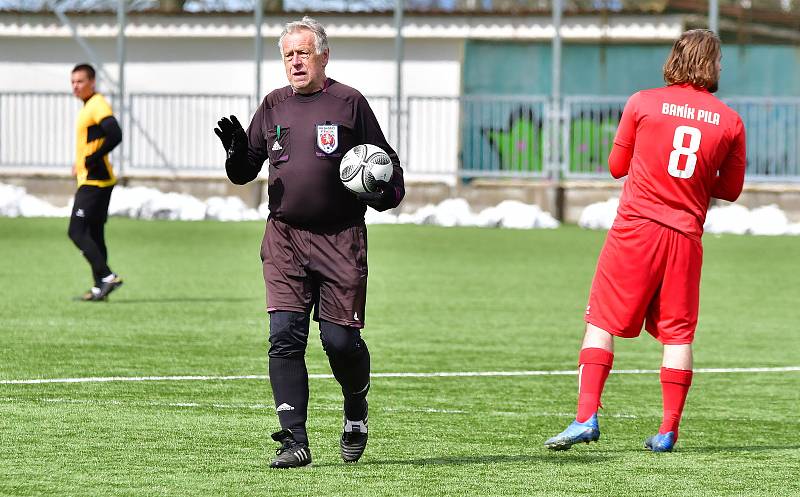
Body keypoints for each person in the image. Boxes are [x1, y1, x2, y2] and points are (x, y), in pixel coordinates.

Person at [214, 16, 404, 468]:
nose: (294, 62)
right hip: (284, 238)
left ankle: (355, 405)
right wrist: (236, 155)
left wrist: (380, 192)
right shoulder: (273, 105)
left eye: (302, 53)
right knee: (284, 336)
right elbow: (245, 171)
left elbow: (389, 174)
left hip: (341, 241)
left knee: (339, 342)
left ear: (323, 55)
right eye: (287, 55)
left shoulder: (349, 103)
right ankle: (293, 440)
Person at [544, 29, 746, 453]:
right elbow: (729, 190)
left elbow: (617, 166)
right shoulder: (729, 121)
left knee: (601, 321)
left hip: (636, 229)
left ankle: (585, 418)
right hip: (686, 237)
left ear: (674, 59)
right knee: (678, 336)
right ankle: (668, 430)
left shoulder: (643, 102)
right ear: (711, 66)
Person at [69, 63, 124, 302]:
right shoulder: (87, 106)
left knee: (76, 231)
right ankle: (98, 287)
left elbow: (115, 133)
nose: (75, 86)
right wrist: (80, 161)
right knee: (94, 233)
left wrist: (91, 158)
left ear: (92, 81)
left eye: (80, 81)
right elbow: (92, 140)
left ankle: (106, 275)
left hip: (96, 180)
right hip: (94, 178)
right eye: (72, 82)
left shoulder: (97, 104)